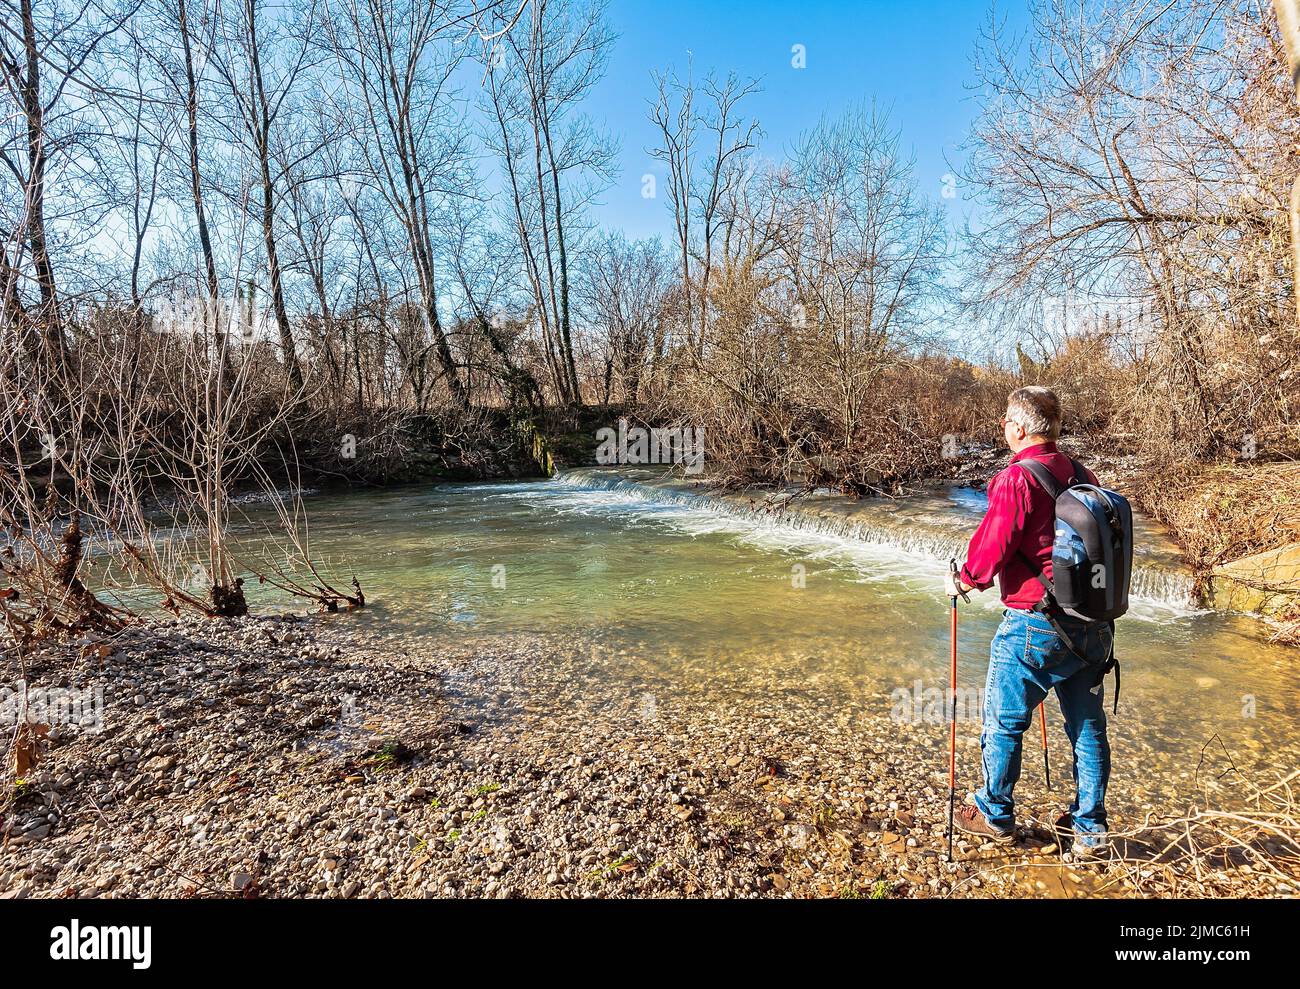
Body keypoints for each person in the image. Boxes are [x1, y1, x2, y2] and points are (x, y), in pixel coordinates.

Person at [943, 386, 1112, 858]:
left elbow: (993, 545)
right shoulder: (1083, 474)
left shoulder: (1016, 478)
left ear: (1017, 429)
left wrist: (967, 580)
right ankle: (1090, 830)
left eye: (1005, 423)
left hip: (1035, 625)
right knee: (1087, 728)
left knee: (1003, 722)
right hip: (1093, 625)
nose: (1004, 429)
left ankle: (994, 814)